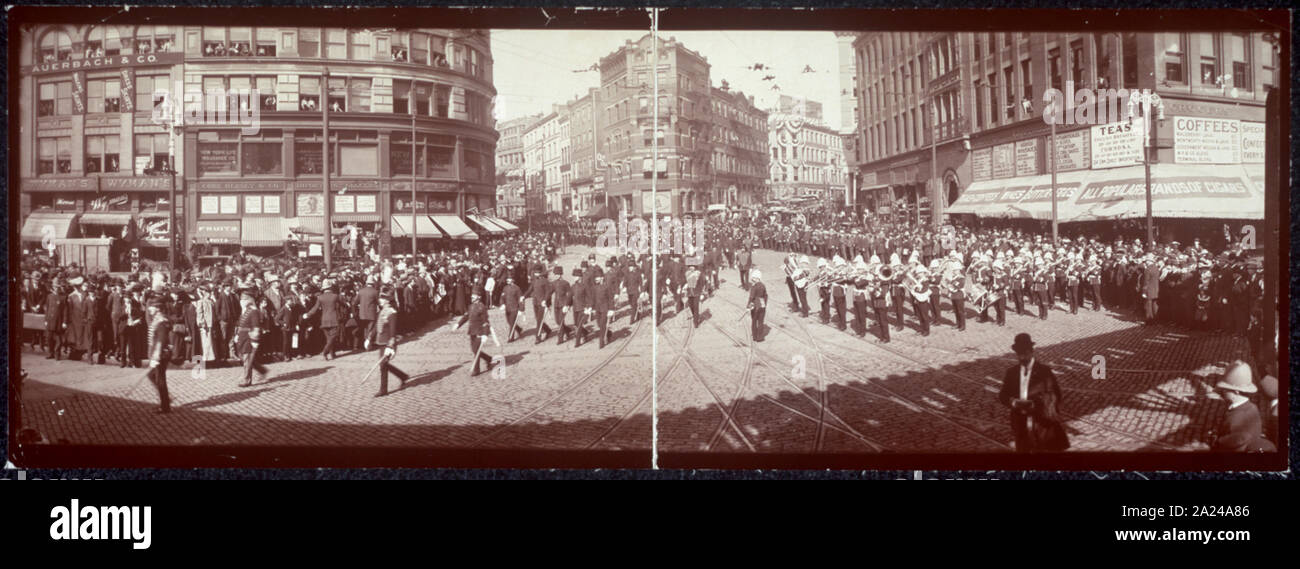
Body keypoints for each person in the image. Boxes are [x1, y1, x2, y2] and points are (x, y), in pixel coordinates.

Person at [999, 333, 1069, 452]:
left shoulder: (1044, 372)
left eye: (1025, 353)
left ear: (1031, 352)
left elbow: (1056, 395)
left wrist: (1037, 404)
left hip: (1042, 423)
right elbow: (1003, 395)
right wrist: (1012, 402)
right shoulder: (1011, 373)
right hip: (1020, 424)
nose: (1022, 358)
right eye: (1019, 354)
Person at [1209, 362, 1275, 452]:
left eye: (1225, 389)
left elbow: (1232, 445)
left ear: (1236, 392)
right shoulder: (1252, 407)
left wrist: (1216, 441)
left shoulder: (1236, 419)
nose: (1222, 392)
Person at [374, 291, 410, 396]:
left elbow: (393, 331)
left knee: (383, 365)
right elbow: (377, 325)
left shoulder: (391, 312)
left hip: (388, 343)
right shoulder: (382, 311)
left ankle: (383, 390)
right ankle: (402, 376)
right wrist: (369, 337)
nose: (380, 300)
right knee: (384, 364)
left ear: (387, 300)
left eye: (382, 298)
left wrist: (390, 346)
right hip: (381, 341)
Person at [144, 296, 173, 414]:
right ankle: (166, 399)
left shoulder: (161, 321)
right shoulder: (157, 318)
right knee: (153, 375)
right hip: (158, 353)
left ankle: (165, 406)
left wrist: (156, 356)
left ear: (157, 308)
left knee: (160, 379)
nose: (149, 309)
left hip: (161, 354)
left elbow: (161, 340)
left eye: (151, 307)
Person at [456, 291, 494, 376]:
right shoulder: (471, 306)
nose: (472, 297)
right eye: (472, 295)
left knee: (476, 350)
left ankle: (476, 370)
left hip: (479, 331)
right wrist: (458, 324)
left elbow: (485, 322)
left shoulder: (482, 307)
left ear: (479, 297)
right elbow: (466, 316)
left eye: (474, 296)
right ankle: (489, 359)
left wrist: (485, 334)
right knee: (474, 350)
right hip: (472, 331)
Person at [236, 290, 268, 387]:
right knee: (245, 357)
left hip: (249, 337)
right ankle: (262, 370)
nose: (241, 301)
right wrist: (237, 334)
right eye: (241, 299)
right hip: (242, 336)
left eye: (244, 299)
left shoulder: (253, 311)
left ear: (249, 300)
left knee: (246, 358)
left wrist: (255, 340)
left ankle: (246, 380)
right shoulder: (246, 310)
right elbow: (241, 323)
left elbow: (256, 327)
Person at [501, 274, 525, 342]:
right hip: (507, 308)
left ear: (513, 280)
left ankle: (511, 337)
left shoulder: (517, 288)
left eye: (509, 279)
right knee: (509, 322)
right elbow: (502, 297)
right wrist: (502, 304)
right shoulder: (505, 288)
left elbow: (521, 299)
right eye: (507, 279)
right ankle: (519, 329)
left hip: (514, 308)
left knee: (511, 323)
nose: (507, 280)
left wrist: (521, 309)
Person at [748, 269, 767, 342]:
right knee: (761, 321)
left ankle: (755, 336)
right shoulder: (763, 286)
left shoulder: (754, 287)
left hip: (755, 306)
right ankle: (760, 337)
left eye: (753, 278)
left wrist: (748, 307)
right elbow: (766, 296)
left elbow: (751, 297)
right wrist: (764, 304)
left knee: (754, 321)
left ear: (756, 278)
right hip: (762, 305)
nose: (752, 279)